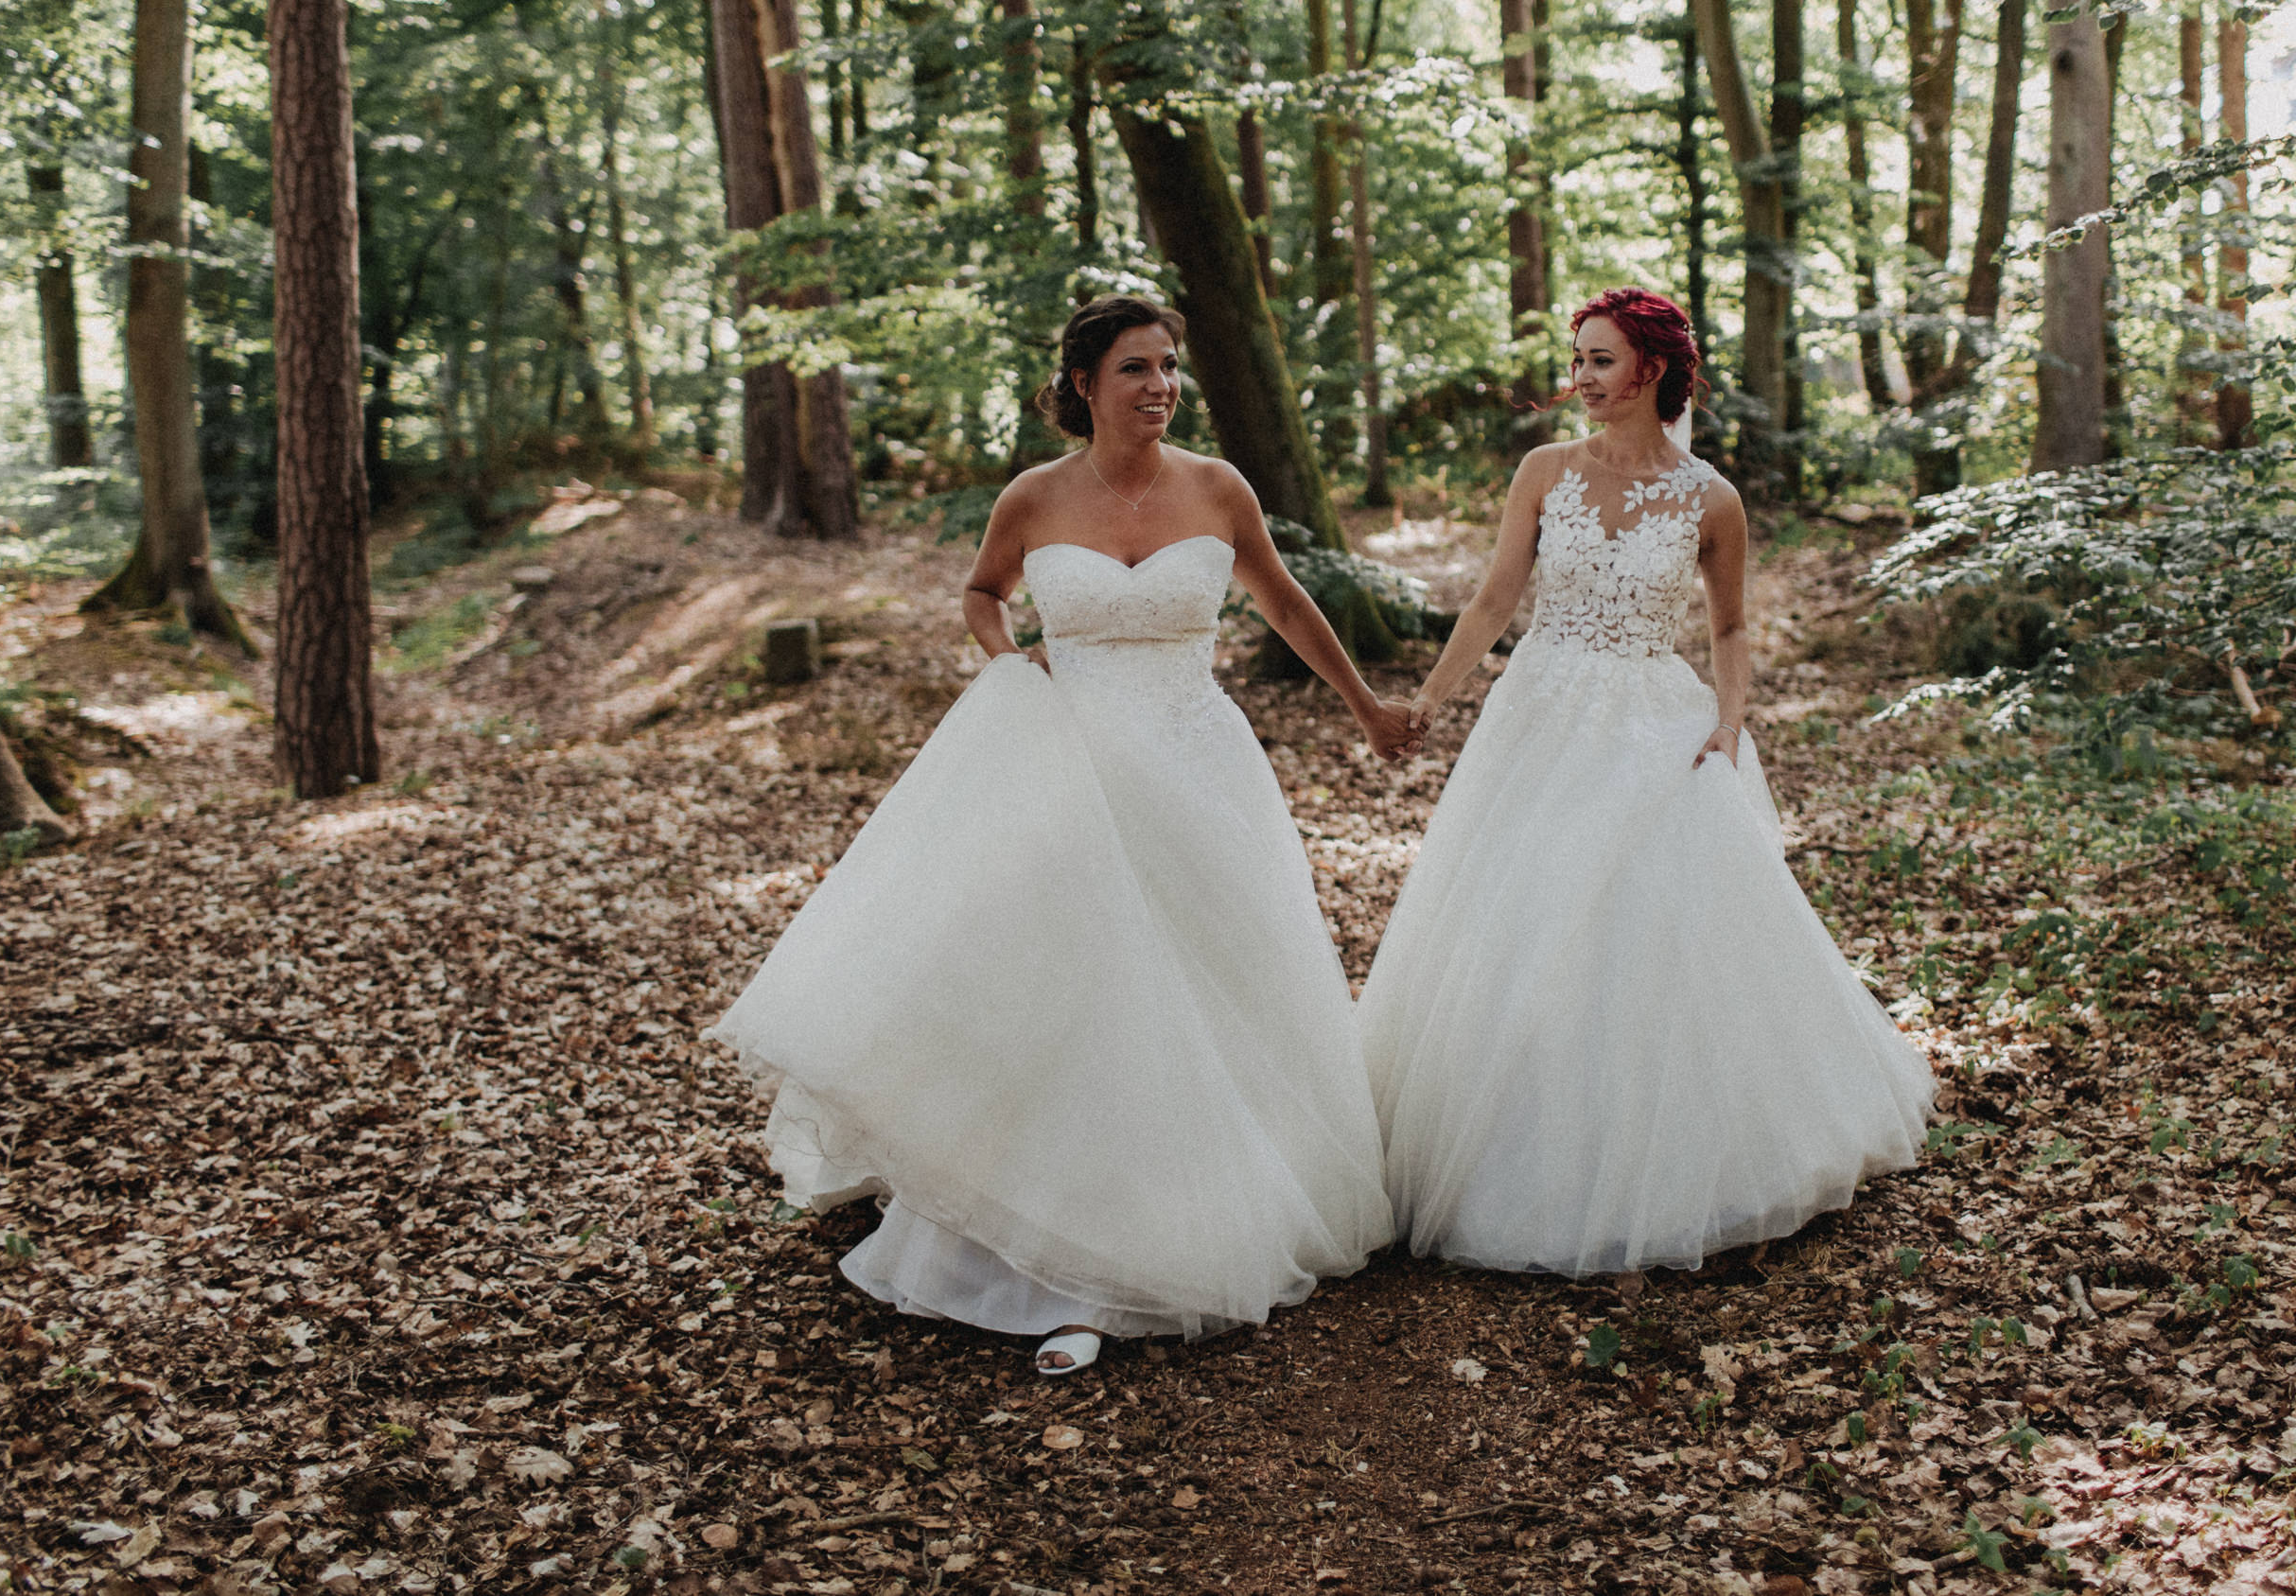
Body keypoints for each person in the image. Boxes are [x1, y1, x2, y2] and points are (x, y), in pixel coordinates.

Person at [708, 295, 1419, 1377]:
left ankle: (1215, 1200)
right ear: (1083, 383)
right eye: (1136, 368)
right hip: (1071, 762)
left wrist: (1365, 705)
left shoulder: (1217, 488)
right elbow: (981, 593)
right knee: (1077, 982)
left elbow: (1279, 600)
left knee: (1216, 973)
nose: (1160, 386)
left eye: (1170, 367)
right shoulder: (1033, 497)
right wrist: (1006, 660)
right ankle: (1056, 1227)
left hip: (1197, 763)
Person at [1358, 287, 1935, 1274]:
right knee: (1520, 916)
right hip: (1539, 714)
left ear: (1650, 369)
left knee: (1647, 924)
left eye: (1595, 360)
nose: (1576, 379)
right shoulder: (1544, 472)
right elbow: (1496, 596)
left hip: (1650, 720)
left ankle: (1663, 1159)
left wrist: (1728, 719)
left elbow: (1728, 626)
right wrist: (1428, 700)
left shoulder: (1710, 498)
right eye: (1576, 359)